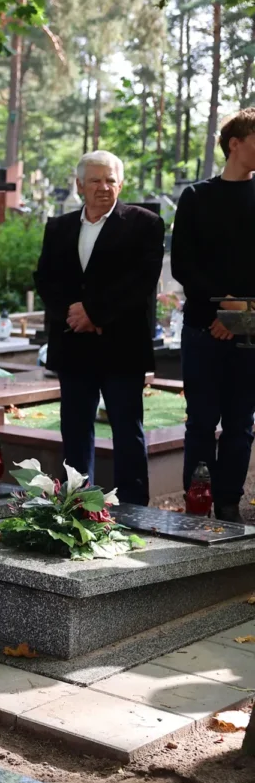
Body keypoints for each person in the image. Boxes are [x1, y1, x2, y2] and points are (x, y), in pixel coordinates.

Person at [33, 151, 164, 506]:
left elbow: (141, 281)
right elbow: (45, 279)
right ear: (79, 186)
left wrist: (95, 314)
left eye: (110, 180)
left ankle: (135, 507)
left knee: (127, 430)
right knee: (75, 430)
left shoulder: (145, 224)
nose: (104, 187)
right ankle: (78, 503)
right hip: (73, 344)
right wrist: (73, 315)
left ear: (120, 183)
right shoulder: (58, 227)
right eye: (95, 180)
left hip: (121, 344)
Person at [172, 108, 255, 522]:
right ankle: (197, 501)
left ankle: (227, 505)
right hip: (202, 328)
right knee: (200, 422)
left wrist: (239, 313)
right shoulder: (195, 197)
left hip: (250, 329)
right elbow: (183, 265)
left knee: (241, 424)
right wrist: (219, 309)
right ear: (235, 144)